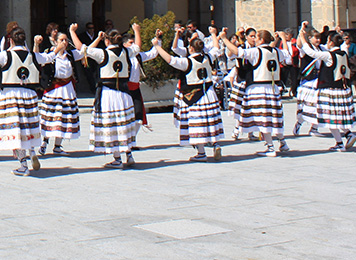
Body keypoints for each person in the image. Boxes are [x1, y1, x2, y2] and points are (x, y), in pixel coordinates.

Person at [0, 26, 53, 176]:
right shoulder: (34, 56)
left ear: (10, 40)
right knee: (27, 126)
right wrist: (59, 47)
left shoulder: (5, 56)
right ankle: (32, 150)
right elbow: (50, 57)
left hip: (10, 95)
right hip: (29, 95)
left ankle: (23, 164)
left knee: (14, 129)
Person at [71, 24, 138, 169]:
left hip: (108, 94)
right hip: (124, 94)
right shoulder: (127, 52)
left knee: (112, 124)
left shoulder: (103, 54)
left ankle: (117, 158)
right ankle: (129, 154)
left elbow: (81, 48)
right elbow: (137, 46)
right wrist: (137, 31)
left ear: (107, 41)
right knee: (124, 123)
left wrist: (72, 32)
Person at [153, 29, 224, 161]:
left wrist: (157, 46)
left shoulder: (187, 62)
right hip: (209, 93)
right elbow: (216, 48)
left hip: (194, 97)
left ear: (190, 48)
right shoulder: (208, 57)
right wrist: (214, 34)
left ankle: (201, 152)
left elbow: (170, 59)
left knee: (197, 123)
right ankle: (216, 144)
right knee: (210, 120)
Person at [220, 28, 290, 156]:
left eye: (256, 37)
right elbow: (287, 54)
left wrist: (224, 39)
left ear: (261, 39)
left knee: (263, 119)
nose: (254, 40)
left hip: (259, 88)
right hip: (273, 88)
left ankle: (270, 147)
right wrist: (283, 39)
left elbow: (237, 52)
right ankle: (282, 142)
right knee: (274, 117)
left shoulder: (256, 51)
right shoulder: (276, 51)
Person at [300, 26, 356, 152]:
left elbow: (312, 53)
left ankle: (339, 143)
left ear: (331, 42)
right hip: (342, 89)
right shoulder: (343, 53)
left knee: (330, 118)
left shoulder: (329, 55)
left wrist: (303, 39)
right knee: (338, 116)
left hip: (330, 90)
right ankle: (348, 134)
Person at [34, 30, 82, 156]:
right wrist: (36, 44)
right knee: (51, 117)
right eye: (62, 40)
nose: (64, 42)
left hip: (67, 90)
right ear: (55, 42)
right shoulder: (50, 55)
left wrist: (73, 32)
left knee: (63, 118)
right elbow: (36, 58)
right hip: (54, 89)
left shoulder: (70, 55)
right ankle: (44, 143)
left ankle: (58, 146)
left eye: (66, 40)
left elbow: (84, 51)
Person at [293, 27, 322, 136]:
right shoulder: (306, 49)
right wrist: (301, 32)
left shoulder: (321, 49)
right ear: (309, 38)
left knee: (318, 106)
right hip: (308, 81)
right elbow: (299, 45)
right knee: (306, 106)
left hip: (318, 81)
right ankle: (299, 123)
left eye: (319, 38)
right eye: (316, 38)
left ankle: (314, 128)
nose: (318, 40)